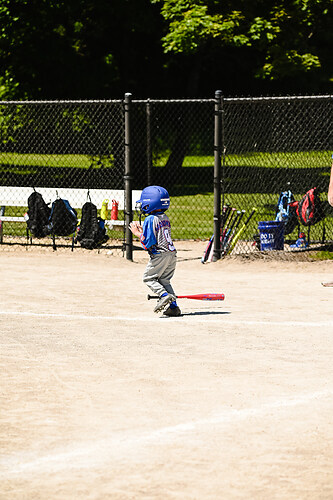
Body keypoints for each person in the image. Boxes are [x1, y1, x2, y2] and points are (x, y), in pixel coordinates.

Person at [129, 185, 181, 317]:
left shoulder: (149, 219)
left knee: (148, 278)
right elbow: (156, 234)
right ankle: (173, 307)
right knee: (164, 281)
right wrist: (144, 231)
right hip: (172, 254)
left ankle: (163, 295)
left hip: (160, 255)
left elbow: (148, 243)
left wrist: (137, 233)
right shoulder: (164, 217)